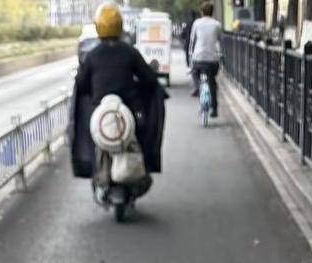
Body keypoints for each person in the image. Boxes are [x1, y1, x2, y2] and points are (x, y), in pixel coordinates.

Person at [69, 4, 167, 188]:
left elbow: (81, 84)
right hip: (132, 110)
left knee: (88, 132)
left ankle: (90, 166)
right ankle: (146, 164)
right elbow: (148, 78)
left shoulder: (92, 55)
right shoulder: (129, 51)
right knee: (143, 127)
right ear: (120, 26)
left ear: (98, 26)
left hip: (99, 112)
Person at [187, 1, 223, 119]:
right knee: (212, 82)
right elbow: (220, 40)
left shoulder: (197, 23)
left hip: (199, 58)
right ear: (212, 12)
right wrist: (221, 56)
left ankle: (198, 88)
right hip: (213, 60)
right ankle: (215, 109)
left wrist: (190, 55)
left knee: (195, 74)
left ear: (202, 12)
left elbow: (192, 41)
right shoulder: (217, 25)